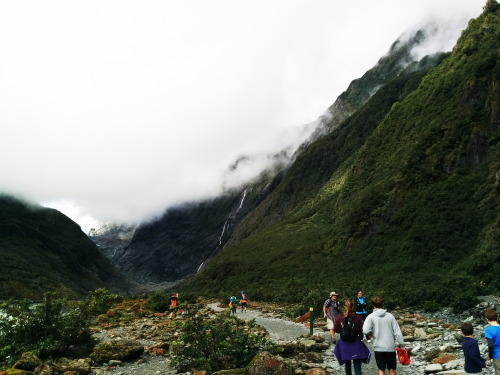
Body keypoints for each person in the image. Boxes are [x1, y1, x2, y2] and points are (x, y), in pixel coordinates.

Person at [362, 296, 405, 375]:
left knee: (381, 370)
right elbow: (397, 332)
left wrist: (371, 336)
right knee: (391, 369)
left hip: (378, 347)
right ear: (382, 304)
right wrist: (402, 345)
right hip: (390, 347)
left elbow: (365, 330)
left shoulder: (370, 316)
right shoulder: (390, 316)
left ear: (372, 305)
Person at [334, 299, 371, 375]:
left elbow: (336, 329)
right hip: (355, 344)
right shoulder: (357, 317)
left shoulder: (339, 317)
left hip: (344, 344)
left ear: (344, 306)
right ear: (353, 306)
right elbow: (362, 329)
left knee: (347, 367)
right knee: (357, 369)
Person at [485, 308, 500, 375]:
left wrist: (490, 355)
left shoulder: (488, 330)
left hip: (497, 355)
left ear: (487, 319)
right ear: (497, 318)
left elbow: (490, 345)